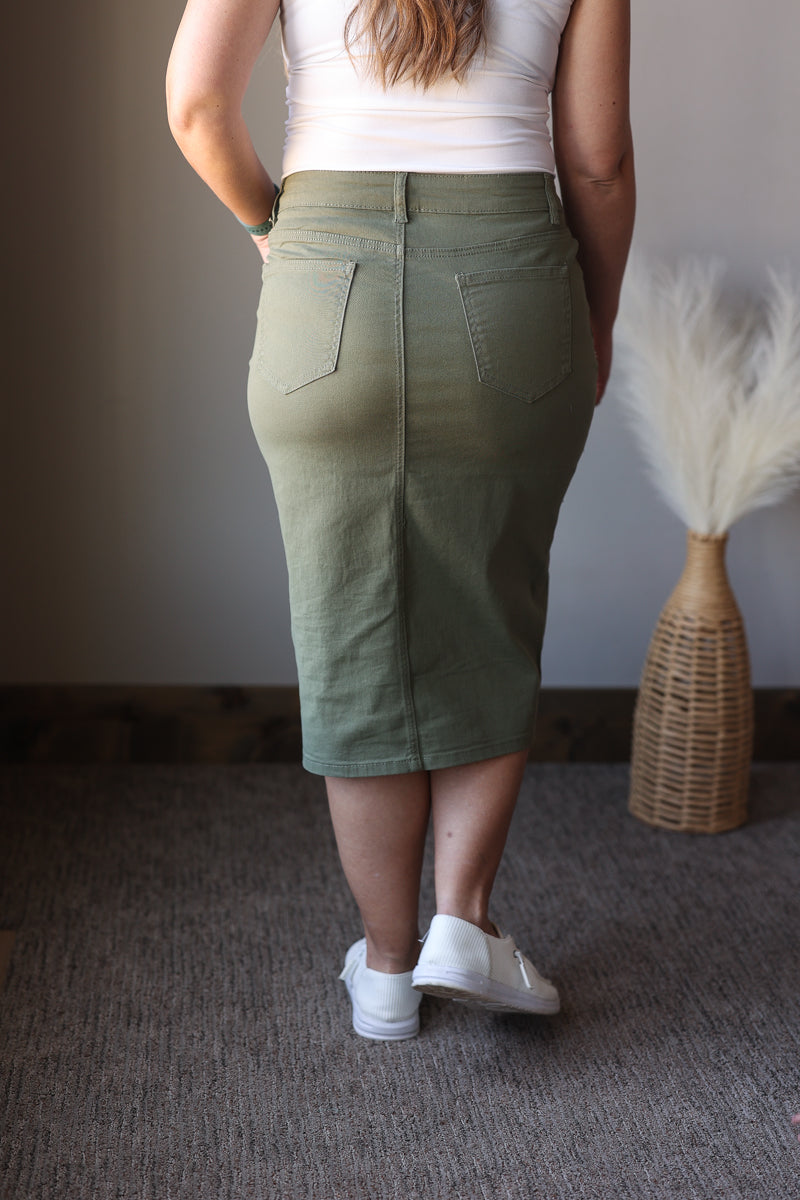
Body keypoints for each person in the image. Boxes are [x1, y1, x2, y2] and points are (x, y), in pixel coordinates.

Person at [167, 0, 634, 1040]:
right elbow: (594, 163)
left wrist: (271, 229)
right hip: (511, 286)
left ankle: (382, 971)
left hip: (322, 282)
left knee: (347, 628)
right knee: (487, 608)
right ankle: (460, 923)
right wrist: (592, 314)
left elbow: (197, 104)